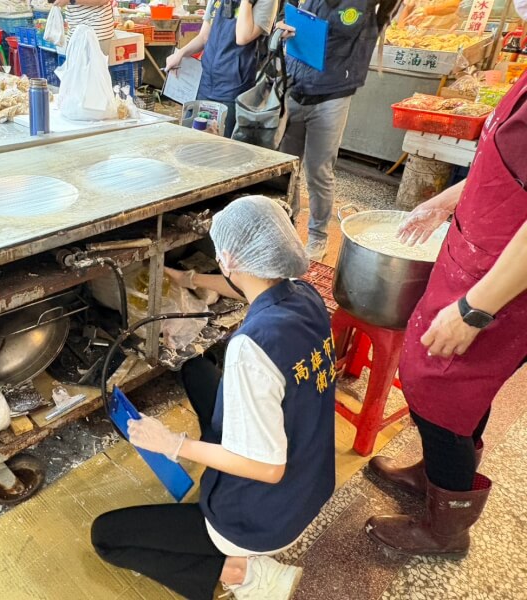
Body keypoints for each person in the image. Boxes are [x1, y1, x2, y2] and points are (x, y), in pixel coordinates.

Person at [90, 196, 337, 600]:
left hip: (261, 518)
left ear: (229, 259)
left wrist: (173, 444)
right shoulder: (305, 295)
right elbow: (248, 285)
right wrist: (190, 279)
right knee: (194, 369)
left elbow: (268, 468)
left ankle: (243, 573)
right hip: (311, 484)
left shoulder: (250, 349)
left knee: (106, 536)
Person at [364, 66, 527, 557]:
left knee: (445, 390)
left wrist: (475, 309)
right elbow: (503, 171)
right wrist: (445, 200)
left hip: (503, 286)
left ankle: (446, 530)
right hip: (476, 260)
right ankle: (435, 475)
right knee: (456, 388)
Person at [276, 0, 400, 261]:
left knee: (318, 171)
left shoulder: (366, 5)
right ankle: (286, 227)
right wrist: (282, 27)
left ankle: (318, 237)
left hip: (332, 95)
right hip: (294, 87)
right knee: (287, 168)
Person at [165, 0, 279, 137]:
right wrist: (180, 54)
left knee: (224, 144)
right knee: (196, 139)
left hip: (234, 88)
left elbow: (243, 37)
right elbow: (204, 37)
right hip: (205, 83)